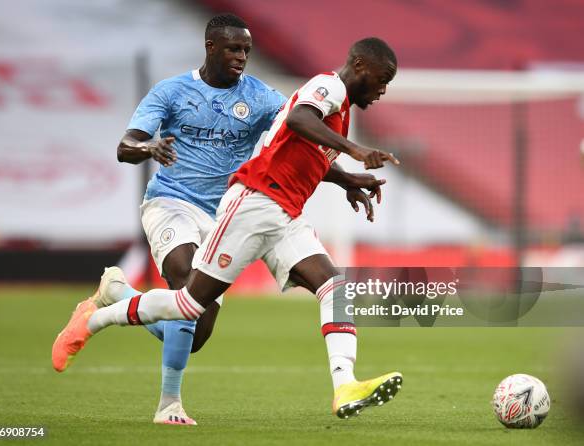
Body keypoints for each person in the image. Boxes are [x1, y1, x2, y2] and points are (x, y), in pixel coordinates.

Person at [52, 15, 386, 425]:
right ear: (210, 47)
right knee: (184, 286)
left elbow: (293, 137)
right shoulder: (172, 92)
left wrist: (346, 178)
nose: (241, 57)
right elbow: (126, 146)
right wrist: (150, 147)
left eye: (246, 50)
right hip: (177, 202)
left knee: (194, 318)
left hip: (243, 211)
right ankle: (168, 404)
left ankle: (116, 297)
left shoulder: (262, 98)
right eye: (233, 49)